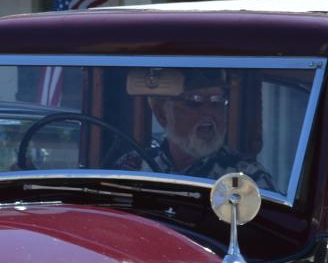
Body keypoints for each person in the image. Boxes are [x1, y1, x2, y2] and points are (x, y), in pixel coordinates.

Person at [117, 69, 277, 190]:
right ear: (162, 114)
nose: (208, 113)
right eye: (194, 102)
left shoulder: (246, 178)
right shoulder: (133, 166)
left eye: (217, 102)